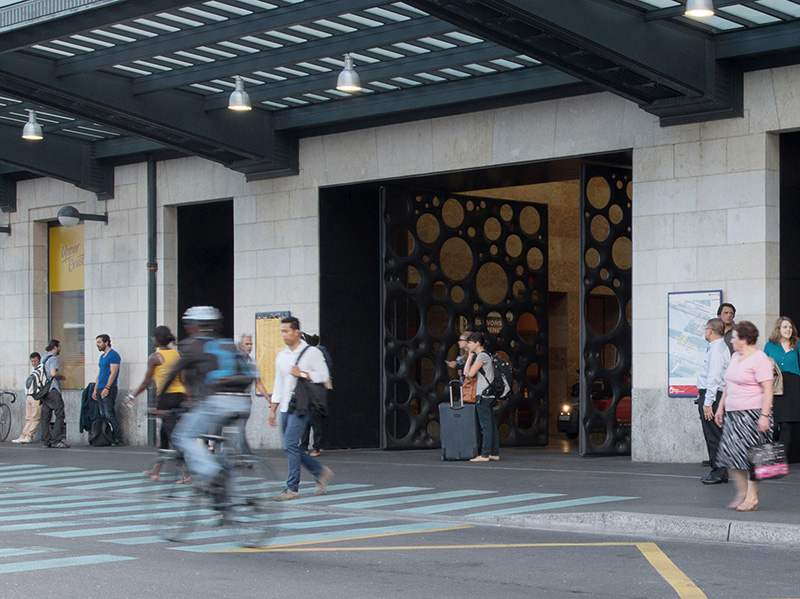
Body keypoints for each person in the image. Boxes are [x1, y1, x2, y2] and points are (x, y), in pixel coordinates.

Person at [169, 307, 257, 488]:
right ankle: (231, 505)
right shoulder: (228, 344)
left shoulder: (193, 345)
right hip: (243, 402)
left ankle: (212, 472)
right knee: (226, 455)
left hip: (218, 402)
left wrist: (159, 401)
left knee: (183, 436)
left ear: (193, 326)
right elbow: (249, 375)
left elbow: (174, 373)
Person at [268, 316, 333, 501]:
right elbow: (278, 384)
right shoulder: (281, 356)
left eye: (287, 331)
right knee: (290, 447)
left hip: (303, 405)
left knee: (290, 444)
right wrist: (273, 409)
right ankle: (320, 472)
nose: (284, 335)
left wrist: (303, 373)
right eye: (282, 331)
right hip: (286, 406)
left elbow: (323, 376)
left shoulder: (312, 352)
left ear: (297, 332)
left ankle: (292, 488)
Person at [714, 321, 774, 511]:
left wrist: (764, 415)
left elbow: (768, 389)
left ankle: (752, 496)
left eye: (734, 338)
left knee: (753, 458)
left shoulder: (760, 359)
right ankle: (742, 492)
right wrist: (721, 407)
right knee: (730, 455)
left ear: (744, 340)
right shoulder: (735, 357)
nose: (731, 341)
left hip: (753, 414)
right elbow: (728, 384)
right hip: (733, 414)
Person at [125, 326, 188, 476]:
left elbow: (146, 382)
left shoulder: (155, 357)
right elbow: (183, 379)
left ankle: (186, 473)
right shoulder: (177, 354)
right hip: (180, 396)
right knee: (165, 434)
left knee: (172, 436)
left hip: (166, 399)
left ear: (156, 339)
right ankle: (157, 470)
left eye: (153, 337)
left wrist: (131, 396)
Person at [696, 318, 730, 484]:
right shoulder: (719, 347)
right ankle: (720, 470)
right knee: (715, 433)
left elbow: (714, 378)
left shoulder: (716, 351)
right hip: (714, 395)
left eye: (705, 329)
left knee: (713, 434)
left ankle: (719, 470)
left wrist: (708, 402)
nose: (704, 332)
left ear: (711, 330)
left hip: (713, 396)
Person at [763, 316, 800, 463]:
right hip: (774, 385)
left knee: (786, 424)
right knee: (773, 424)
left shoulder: (797, 344)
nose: (788, 330)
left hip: (792, 386)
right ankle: (771, 455)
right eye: (785, 327)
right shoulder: (770, 345)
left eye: (790, 327)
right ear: (778, 328)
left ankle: (780, 461)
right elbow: (761, 366)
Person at [464, 332, 499, 463]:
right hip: (488, 394)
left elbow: (470, 374)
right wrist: (469, 356)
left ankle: (484, 454)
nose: (468, 345)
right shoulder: (484, 356)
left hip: (483, 395)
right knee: (491, 424)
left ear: (477, 343)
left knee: (485, 426)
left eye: (470, 342)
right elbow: (465, 372)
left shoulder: (482, 356)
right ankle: (494, 453)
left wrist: (471, 358)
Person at [236, 333, 271, 454]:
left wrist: (267, 397)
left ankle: (246, 455)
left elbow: (258, 383)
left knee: (240, 428)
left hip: (244, 399)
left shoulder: (252, 363)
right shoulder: (233, 360)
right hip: (232, 398)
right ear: (240, 345)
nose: (250, 346)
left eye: (251, 344)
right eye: (247, 344)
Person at [300, 333, 329, 457]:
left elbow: (322, 375)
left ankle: (315, 447)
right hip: (305, 392)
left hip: (314, 392)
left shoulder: (315, 354)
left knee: (314, 421)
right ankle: (305, 446)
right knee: (306, 421)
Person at [93, 334, 123, 446]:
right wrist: (95, 389)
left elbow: (113, 372)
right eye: (97, 342)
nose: (97, 345)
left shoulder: (113, 355)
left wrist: (107, 387)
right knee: (103, 414)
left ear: (106, 342)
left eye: (99, 342)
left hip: (109, 388)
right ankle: (107, 437)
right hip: (100, 387)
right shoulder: (102, 357)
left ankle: (117, 438)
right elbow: (100, 373)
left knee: (109, 413)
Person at [39, 340, 69, 449]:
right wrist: (61, 377)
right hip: (52, 389)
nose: (60, 349)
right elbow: (53, 373)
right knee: (60, 414)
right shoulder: (53, 359)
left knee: (46, 416)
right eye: (59, 347)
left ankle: (46, 441)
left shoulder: (43, 358)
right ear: (55, 347)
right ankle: (57, 440)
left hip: (44, 391)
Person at [12, 353, 43, 444]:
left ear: (39, 360)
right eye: (32, 361)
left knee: (35, 417)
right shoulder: (34, 369)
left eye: (35, 361)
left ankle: (29, 436)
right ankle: (23, 435)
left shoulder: (42, 369)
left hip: (36, 395)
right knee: (28, 417)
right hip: (29, 395)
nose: (34, 363)